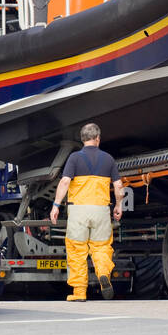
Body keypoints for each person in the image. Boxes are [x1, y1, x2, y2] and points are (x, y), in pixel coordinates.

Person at [49, 123, 125, 301]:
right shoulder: (108, 159)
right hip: (100, 209)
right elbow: (119, 186)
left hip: (78, 211)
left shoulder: (74, 158)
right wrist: (118, 205)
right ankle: (103, 274)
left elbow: (65, 182)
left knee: (77, 251)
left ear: (82, 139)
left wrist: (55, 206)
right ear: (97, 138)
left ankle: (79, 293)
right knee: (102, 247)